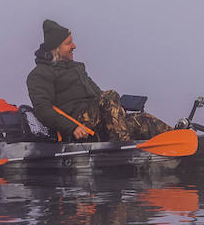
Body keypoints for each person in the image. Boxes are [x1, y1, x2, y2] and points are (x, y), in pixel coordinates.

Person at [26, 19, 172, 142]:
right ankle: (123, 145)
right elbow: (42, 110)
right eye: (68, 43)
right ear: (56, 49)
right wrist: (72, 128)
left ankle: (179, 138)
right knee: (110, 95)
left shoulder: (76, 68)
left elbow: (98, 94)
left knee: (142, 119)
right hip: (77, 122)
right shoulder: (39, 75)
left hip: (97, 117)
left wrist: (116, 108)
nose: (74, 46)